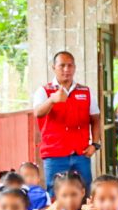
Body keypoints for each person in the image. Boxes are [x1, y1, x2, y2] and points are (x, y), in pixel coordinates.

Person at [33, 51, 102, 192]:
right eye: (62, 65)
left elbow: (95, 119)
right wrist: (52, 100)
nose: (66, 69)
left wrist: (95, 144)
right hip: (54, 155)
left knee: (85, 192)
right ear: (54, 68)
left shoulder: (85, 91)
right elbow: (38, 113)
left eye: (70, 65)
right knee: (56, 194)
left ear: (75, 67)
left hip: (81, 154)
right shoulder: (44, 91)